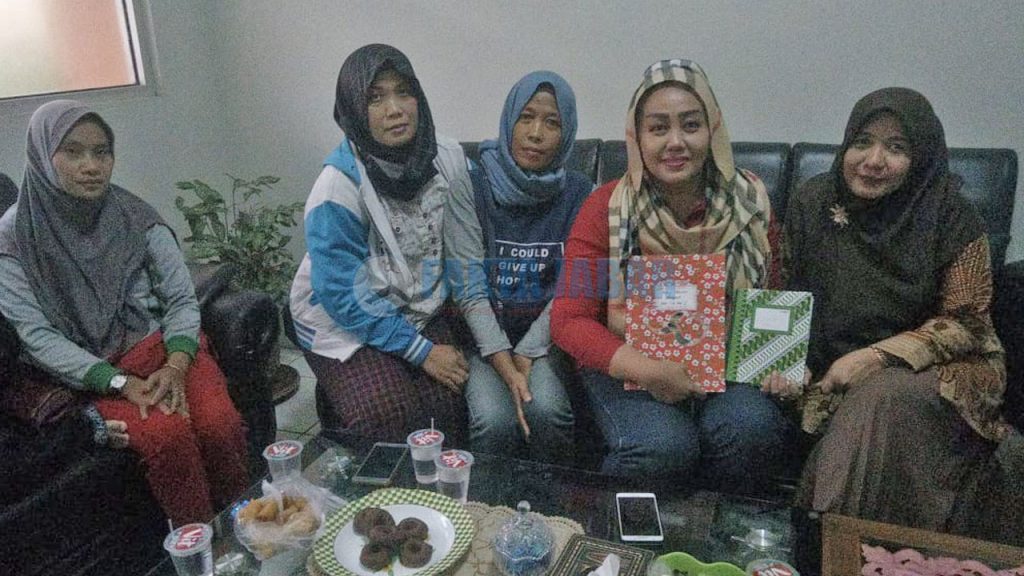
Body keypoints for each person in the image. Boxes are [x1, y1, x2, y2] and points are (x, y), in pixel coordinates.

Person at [781, 87, 1022, 542]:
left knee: (881, 397)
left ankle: (826, 541)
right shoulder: (813, 203)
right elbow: (787, 294)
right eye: (862, 142)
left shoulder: (953, 216)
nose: (873, 160)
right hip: (836, 369)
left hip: (941, 369)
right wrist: (791, 362)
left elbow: (967, 323)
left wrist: (877, 357)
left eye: (896, 148)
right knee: (872, 398)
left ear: (921, 157)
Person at [0, 100, 249, 525]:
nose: (91, 166)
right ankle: (199, 544)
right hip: (90, 372)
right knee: (167, 435)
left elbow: (181, 299)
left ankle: (249, 526)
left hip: (164, 352)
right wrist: (117, 382)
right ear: (42, 155)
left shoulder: (137, 217)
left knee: (218, 424)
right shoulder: (12, 240)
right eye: (73, 152)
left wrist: (176, 365)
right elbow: (36, 336)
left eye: (102, 152)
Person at [550, 60, 790, 490]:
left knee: (751, 428)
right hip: (627, 359)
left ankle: (716, 526)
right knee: (664, 445)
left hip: (725, 361)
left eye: (691, 125)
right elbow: (569, 320)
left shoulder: (750, 202)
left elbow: (770, 300)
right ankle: (607, 531)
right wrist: (648, 370)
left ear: (712, 129)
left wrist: (779, 363)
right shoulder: (606, 206)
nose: (675, 142)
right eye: (658, 128)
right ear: (637, 137)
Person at [290, 44, 472, 446]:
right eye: (375, 98)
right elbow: (343, 293)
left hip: (418, 304)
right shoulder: (337, 188)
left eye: (404, 92)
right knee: (388, 413)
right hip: (343, 320)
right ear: (353, 109)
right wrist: (420, 351)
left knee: (448, 402)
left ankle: (452, 490)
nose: (395, 110)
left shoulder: (449, 158)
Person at [445, 71, 589, 462]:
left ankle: (554, 498)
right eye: (526, 117)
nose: (535, 133)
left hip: (546, 336)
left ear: (567, 133)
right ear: (509, 120)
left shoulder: (581, 194)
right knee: (494, 420)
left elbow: (573, 288)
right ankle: (489, 499)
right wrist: (506, 366)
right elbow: (469, 288)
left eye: (551, 122)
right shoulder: (469, 187)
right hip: (482, 338)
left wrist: (526, 353)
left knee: (547, 410)